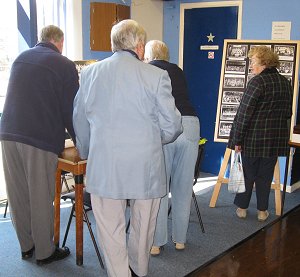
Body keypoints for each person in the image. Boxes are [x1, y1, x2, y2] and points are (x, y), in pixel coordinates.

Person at [73, 20, 182, 277]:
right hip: (146, 165)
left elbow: (80, 121)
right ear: (140, 46)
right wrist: (155, 141)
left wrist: (88, 152)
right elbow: (173, 124)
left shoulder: (89, 74)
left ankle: (119, 274)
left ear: (113, 44)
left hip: (106, 165)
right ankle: (139, 270)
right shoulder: (156, 76)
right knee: (144, 225)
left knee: (110, 227)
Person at [0, 25, 79, 264]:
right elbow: (72, 110)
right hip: (38, 137)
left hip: (7, 133)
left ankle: (27, 247)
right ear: (60, 42)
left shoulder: (20, 59)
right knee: (40, 195)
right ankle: (45, 252)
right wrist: (81, 144)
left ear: (40, 40)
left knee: (18, 194)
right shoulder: (64, 64)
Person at [144, 40, 200, 255]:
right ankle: (181, 240)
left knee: (160, 188)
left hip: (166, 127)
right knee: (183, 187)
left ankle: (157, 243)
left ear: (148, 56)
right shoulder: (178, 70)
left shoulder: (148, 70)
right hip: (191, 125)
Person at [228, 45, 293, 222]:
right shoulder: (285, 82)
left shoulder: (257, 82)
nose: (251, 66)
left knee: (248, 174)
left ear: (264, 63)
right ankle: (262, 211)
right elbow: (288, 113)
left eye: (254, 62)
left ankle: (242, 208)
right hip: (274, 140)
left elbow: (244, 113)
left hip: (253, 138)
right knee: (265, 176)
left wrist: (237, 139)